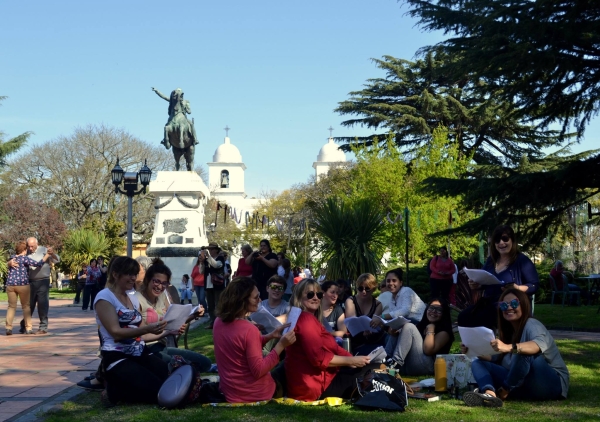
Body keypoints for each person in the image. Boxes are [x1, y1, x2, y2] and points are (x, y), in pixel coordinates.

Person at [462, 288, 569, 407]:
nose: (508, 308)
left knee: (524, 352)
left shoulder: (532, 324)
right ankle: (490, 394)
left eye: (514, 303)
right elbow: (494, 358)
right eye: (503, 305)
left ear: (523, 305)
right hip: (522, 384)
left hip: (549, 384)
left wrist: (509, 347)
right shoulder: (508, 331)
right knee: (478, 363)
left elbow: (536, 346)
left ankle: (503, 391)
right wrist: (473, 349)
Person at [94, 256, 169, 406]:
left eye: (135, 274)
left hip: (139, 352)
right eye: (129, 274)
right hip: (116, 356)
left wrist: (167, 330)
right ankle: (114, 391)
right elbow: (116, 332)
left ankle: (124, 387)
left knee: (167, 378)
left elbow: (141, 333)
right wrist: (147, 328)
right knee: (158, 392)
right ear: (115, 274)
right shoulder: (104, 297)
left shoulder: (132, 298)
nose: (133, 278)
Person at [284, 279, 372, 401]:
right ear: (299, 297)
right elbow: (319, 358)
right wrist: (352, 360)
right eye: (310, 294)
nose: (315, 298)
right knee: (372, 370)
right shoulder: (305, 320)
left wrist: (353, 361)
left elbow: (334, 348)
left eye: (318, 294)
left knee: (369, 367)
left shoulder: (311, 319)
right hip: (316, 386)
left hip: (321, 380)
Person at [213, 277, 296, 403]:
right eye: (256, 297)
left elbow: (239, 346)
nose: (259, 300)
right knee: (290, 363)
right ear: (242, 301)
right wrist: (281, 345)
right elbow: (259, 371)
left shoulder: (218, 321)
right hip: (256, 394)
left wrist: (269, 336)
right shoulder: (249, 329)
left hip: (230, 391)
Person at [458, 225, 540, 330]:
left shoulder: (522, 261)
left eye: (505, 239)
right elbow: (483, 280)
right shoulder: (491, 261)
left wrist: (517, 288)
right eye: (497, 240)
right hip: (488, 303)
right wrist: (476, 284)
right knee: (464, 317)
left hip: (510, 306)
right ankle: (474, 345)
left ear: (512, 241)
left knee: (485, 318)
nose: (501, 243)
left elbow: (534, 285)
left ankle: (491, 344)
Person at [134, 259, 211, 370]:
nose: (160, 286)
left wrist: (194, 314)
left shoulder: (162, 296)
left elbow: (172, 322)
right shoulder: (136, 300)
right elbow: (139, 337)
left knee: (204, 363)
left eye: (164, 283)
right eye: (156, 281)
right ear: (147, 280)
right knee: (181, 366)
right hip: (146, 349)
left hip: (163, 346)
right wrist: (168, 332)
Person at [386, 298, 455, 375]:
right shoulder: (421, 326)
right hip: (410, 364)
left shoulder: (445, 333)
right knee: (398, 329)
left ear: (444, 313)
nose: (433, 311)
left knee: (409, 326)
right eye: (431, 308)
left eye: (439, 310)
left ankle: (395, 363)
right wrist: (395, 334)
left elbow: (428, 351)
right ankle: (385, 359)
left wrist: (431, 329)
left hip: (428, 367)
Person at [372, 268, 426, 359]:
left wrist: (382, 317)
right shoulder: (392, 298)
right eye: (388, 281)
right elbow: (395, 318)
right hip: (405, 325)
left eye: (394, 281)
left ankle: (387, 356)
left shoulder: (406, 291)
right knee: (392, 332)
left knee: (398, 327)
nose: (390, 283)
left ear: (400, 283)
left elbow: (405, 311)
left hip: (419, 324)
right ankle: (386, 356)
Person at [12, 237, 60, 335]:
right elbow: (14, 258)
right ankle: (24, 325)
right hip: (30, 282)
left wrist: (52, 254)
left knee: (42, 304)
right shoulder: (26, 251)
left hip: (43, 281)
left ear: (36, 244)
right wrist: (10, 262)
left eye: (32, 246)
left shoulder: (44, 250)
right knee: (29, 305)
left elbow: (57, 260)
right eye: (29, 246)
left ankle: (43, 327)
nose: (30, 248)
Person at [5, 241, 51, 335]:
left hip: (10, 285)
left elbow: (8, 264)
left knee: (11, 307)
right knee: (26, 307)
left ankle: (8, 328)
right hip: (22, 285)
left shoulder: (12, 258)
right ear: (24, 250)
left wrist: (8, 263)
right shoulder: (25, 259)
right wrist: (46, 255)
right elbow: (38, 264)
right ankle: (28, 328)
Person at [344, 273, 384, 354]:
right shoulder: (351, 301)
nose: (364, 291)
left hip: (374, 341)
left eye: (367, 289)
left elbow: (374, 324)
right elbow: (352, 323)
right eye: (360, 288)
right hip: (356, 343)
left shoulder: (378, 304)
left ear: (373, 289)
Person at [201, 242, 226, 329]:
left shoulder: (220, 258)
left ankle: (220, 322)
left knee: (218, 304)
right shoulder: (207, 259)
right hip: (208, 284)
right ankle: (213, 322)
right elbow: (201, 271)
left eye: (212, 249)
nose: (210, 251)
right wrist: (202, 262)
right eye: (209, 249)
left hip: (217, 284)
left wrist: (208, 257)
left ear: (216, 250)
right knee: (210, 305)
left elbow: (216, 265)